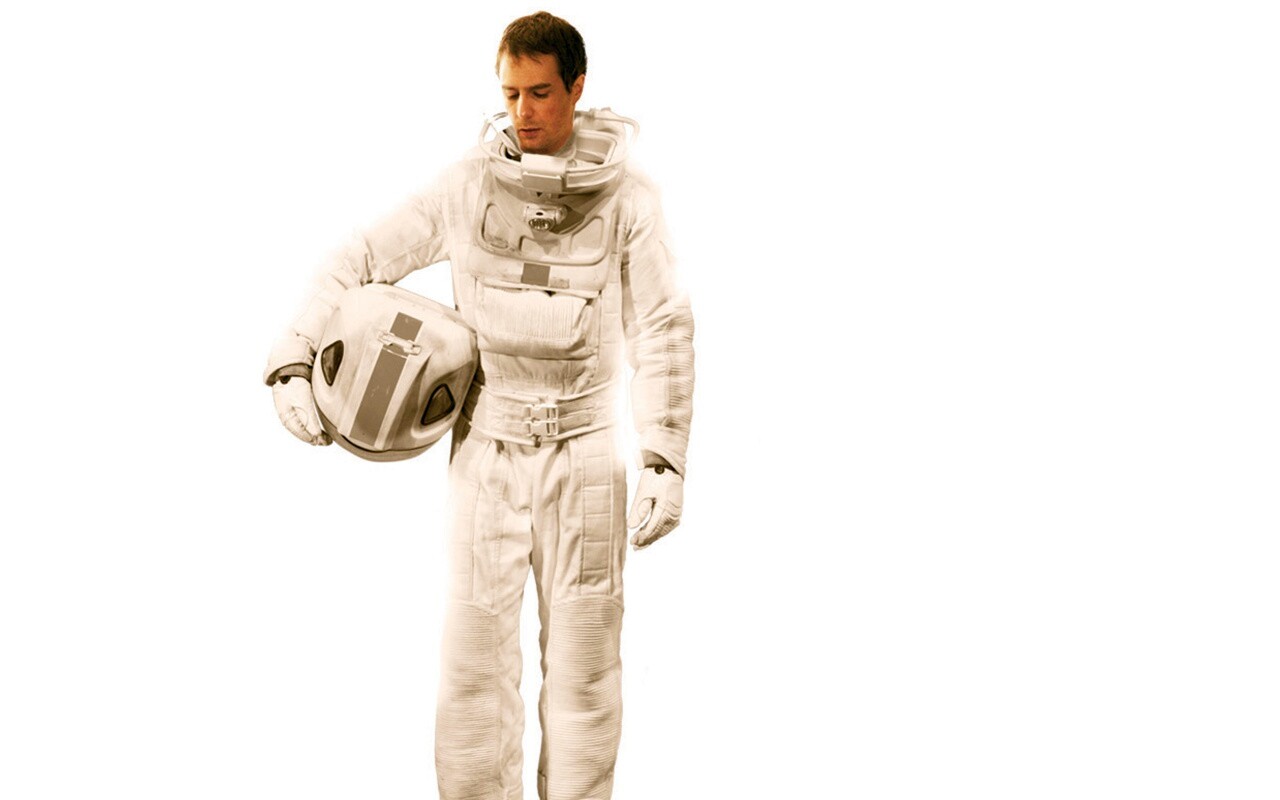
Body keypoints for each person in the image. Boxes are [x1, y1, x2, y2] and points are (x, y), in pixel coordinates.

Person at [263, 11, 694, 800]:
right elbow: (361, 256)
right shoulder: (468, 187)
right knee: (473, 674)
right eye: (510, 93)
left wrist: (664, 457)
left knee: (586, 676)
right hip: (487, 449)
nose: (524, 112)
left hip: (585, 454)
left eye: (540, 93)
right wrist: (294, 356)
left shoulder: (630, 201)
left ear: (577, 88)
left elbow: (663, 325)